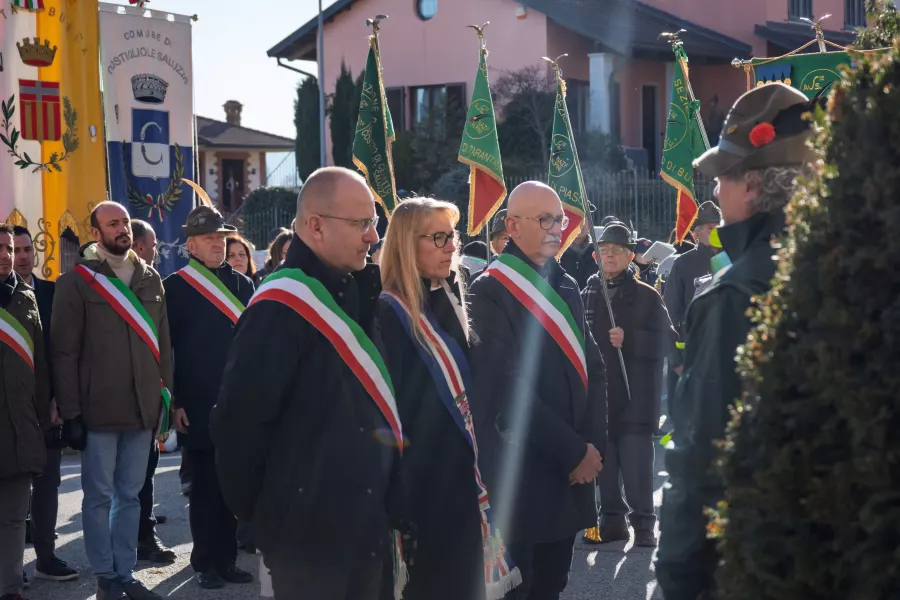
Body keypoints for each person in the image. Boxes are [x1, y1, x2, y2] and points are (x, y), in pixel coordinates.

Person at [656, 83, 817, 600]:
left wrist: (677, 579)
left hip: (753, 563)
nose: (716, 193)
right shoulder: (849, 262)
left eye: (723, 178)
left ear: (752, 185)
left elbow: (703, 457)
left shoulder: (735, 293)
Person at [211, 167, 396, 600]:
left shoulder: (353, 291)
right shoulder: (279, 307)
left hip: (366, 526)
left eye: (374, 223)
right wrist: (272, 522)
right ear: (315, 226)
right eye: (362, 224)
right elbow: (238, 427)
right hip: (308, 543)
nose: (373, 236)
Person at [468, 181, 608, 600]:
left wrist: (593, 449)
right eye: (545, 219)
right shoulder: (489, 290)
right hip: (522, 478)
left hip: (571, 473)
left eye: (560, 219)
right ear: (511, 225)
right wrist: (574, 451)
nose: (556, 229)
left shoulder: (565, 284)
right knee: (520, 589)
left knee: (553, 586)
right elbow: (509, 393)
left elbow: (595, 368)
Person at [376, 198, 520, 600]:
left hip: (465, 476)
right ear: (406, 244)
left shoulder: (450, 292)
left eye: (452, 236)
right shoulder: (390, 312)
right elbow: (394, 412)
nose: (451, 247)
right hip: (427, 489)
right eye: (438, 237)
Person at [52, 201, 172, 600]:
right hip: (98, 409)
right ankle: (105, 574)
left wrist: (167, 400)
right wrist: (71, 412)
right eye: (112, 224)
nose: (122, 229)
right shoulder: (77, 282)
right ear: (96, 232)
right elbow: (64, 353)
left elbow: (164, 346)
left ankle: (125, 572)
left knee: (131, 495)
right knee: (99, 496)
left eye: (124, 222)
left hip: (143, 408)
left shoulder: (151, 278)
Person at [164, 205, 255, 589]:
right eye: (208, 239)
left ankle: (228, 559)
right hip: (196, 403)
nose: (217, 244)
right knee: (203, 487)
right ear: (191, 245)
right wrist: (177, 401)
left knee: (232, 485)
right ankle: (204, 564)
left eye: (220, 237)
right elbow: (167, 350)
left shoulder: (243, 285)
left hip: (236, 403)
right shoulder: (175, 287)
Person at [581, 222, 675, 548]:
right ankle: (611, 523)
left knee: (636, 470)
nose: (609, 256)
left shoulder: (648, 296)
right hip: (600, 397)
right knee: (605, 471)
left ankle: (644, 527)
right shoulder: (587, 294)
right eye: (604, 251)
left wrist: (630, 339)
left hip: (636, 398)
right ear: (595, 255)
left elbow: (668, 342)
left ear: (630, 256)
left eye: (616, 251)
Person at [11, 227, 76, 583]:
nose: (21, 256)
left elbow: (63, 351)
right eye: (13, 249)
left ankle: (47, 558)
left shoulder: (52, 293)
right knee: (11, 487)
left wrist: (60, 399)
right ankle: (10, 566)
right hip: (9, 408)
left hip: (47, 408)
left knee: (49, 482)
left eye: (25, 249)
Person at [0, 224, 51, 600]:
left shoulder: (26, 296)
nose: (6, 255)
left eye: (8, 248)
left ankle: (11, 587)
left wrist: (45, 408)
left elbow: (40, 363)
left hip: (20, 424)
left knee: (15, 516)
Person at [127, 220, 175, 566]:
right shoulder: (115, 285)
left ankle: (144, 532)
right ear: (140, 247)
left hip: (150, 395)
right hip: (124, 399)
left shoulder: (153, 281)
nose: (157, 250)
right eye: (153, 244)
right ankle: (140, 537)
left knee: (147, 467)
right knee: (133, 475)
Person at [558, 219, 598, 289]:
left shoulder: (598, 251)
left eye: (584, 221)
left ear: (589, 226)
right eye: (576, 219)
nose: (580, 225)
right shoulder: (557, 251)